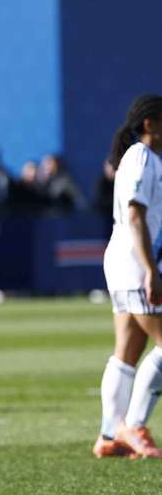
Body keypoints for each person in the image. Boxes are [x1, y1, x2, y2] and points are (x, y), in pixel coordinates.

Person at [93, 94, 162, 459]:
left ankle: (109, 434)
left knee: (127, 352)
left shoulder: (144, 158)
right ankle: (134, 426)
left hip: (124, 260)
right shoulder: (142, 157)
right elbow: (136, 216)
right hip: (135, 264)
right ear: (150, 124)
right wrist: (151, 269)